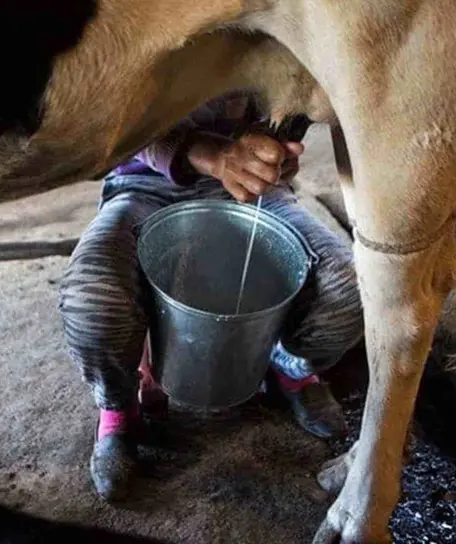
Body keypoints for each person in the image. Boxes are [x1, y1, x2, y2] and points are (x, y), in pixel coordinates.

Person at [57, 91, 364, 501]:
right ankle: (118, 404)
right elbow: (109, 121)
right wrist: (211, 154)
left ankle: (287, 362)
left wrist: (272, 152)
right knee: (91, 302)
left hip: (249, 189)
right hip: (141, 184)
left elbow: (287, 103)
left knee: (348, 286)